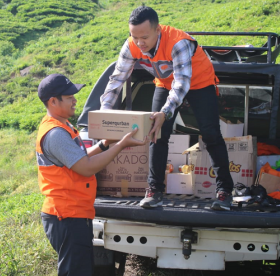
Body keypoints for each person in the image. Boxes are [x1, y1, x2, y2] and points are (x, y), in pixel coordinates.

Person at [100, 6, 234, 211]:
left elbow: (181, 84)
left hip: (199, 82)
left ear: (158, 30)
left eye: (144, 37)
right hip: (164, 83)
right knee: (156, 133)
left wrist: (165, 112)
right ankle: (154, 190)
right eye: (134, 37)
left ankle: (224, 191)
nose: (139, 43)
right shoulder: (131, 45)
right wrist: (104, 111)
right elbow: (117, 79)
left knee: (211, 134)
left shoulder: (179, 43)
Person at [36, 73, 147, 276]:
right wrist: (121, 145)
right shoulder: (56, 134)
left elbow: (77, 159)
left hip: (73, 214)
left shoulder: (63, 127)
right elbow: (86, 167)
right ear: (53, 101)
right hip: (66, 216)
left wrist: (104, 144)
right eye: (69, 97)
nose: (75, 100)